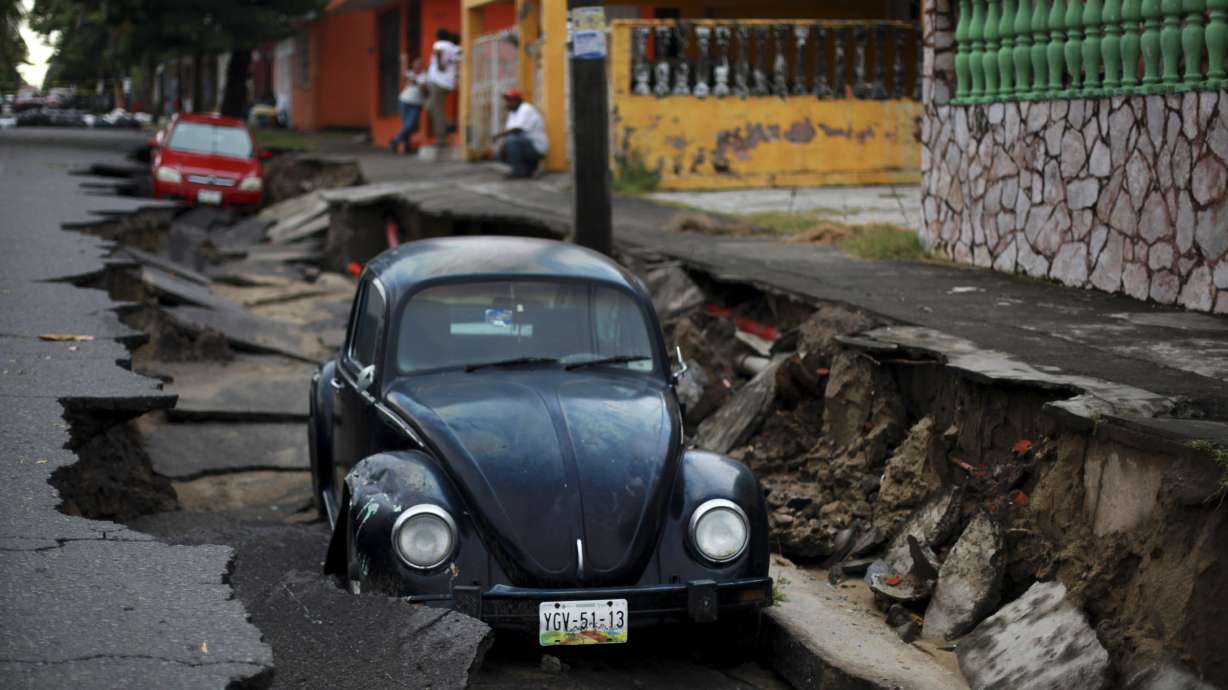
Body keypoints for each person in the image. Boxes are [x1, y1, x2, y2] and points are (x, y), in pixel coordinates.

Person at [492, 89, 548, 179]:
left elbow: (517, 130)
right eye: (507, 100)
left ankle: (519, 172)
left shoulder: (526, 109)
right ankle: (527, 170)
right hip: (525, 146)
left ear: (517, 100)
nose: (507, 103)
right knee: (500, 153)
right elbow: (511, 131)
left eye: (509, 100)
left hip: (537, 147)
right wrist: (503, 144)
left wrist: (499, 136)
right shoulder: (513, 113)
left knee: (512, 141)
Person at [425, 29, 460, 146]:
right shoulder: (456, 49)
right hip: (447, 82)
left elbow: (438, 50)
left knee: (436, 109)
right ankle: (448, 125)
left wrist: (440, 64)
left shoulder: (441, 44)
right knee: (430, 106)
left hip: (439, 82)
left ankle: (441, 138)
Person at [389, 57, 425, 154]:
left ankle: (395, 141)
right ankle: (407, 147)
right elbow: (403, 76)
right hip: (404, 101)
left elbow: (424, 89)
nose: (418, 65)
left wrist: (416, 82)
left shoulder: (424, 76)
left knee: (410, 126)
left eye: (420, 64)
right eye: (416, 63)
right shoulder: (410, 73)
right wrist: (403, 62)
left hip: (416, 104)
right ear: (413, 65)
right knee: (406, 126)